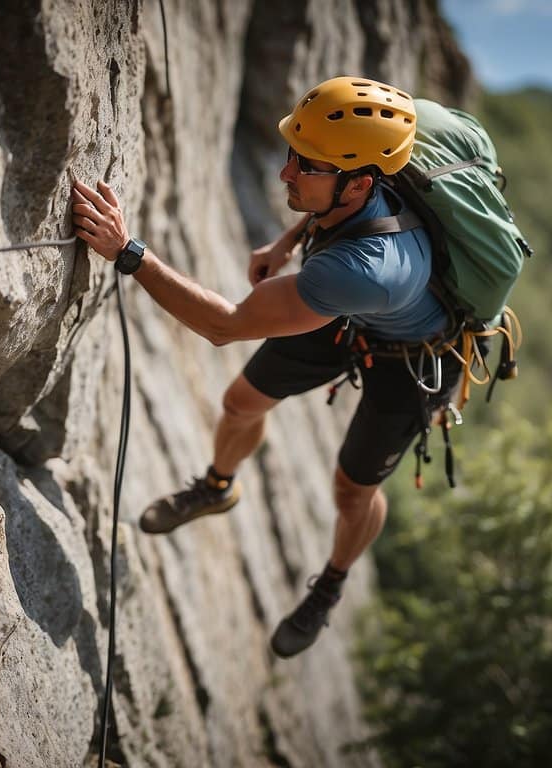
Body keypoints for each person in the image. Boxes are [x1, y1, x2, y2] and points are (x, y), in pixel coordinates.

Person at [72, 75, 462, 658]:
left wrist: (128, 251)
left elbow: (223, 326)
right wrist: (287, 242)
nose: (286, 174)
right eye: (292, 156)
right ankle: (217, 488)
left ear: (357, 182)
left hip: (413, 359)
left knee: (352, 490)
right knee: (239, 404)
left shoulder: (361, 269)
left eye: (305, 167)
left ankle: (329, 586)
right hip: (355, 311)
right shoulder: (372, 170)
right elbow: (340, 207)